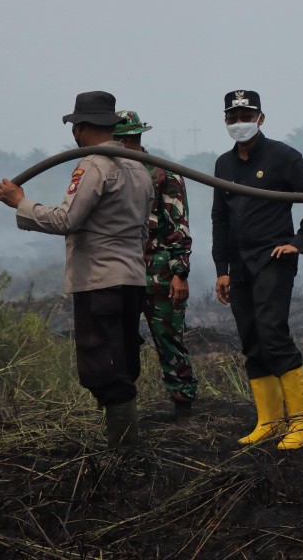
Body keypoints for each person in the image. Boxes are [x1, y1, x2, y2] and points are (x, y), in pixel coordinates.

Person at [0, 91, 154, 448]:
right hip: (130, 281)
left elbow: (68, 219)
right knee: (122, 360)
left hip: (99, 282)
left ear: (80, 127)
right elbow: (144, 230)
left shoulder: (94, 165)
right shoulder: (139, 167)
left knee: (104, 366)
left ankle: (123, 450)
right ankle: (123, 444)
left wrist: (21, 202)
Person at [211, 90, 303, 450]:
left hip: (274, 259)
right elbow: (220, 218)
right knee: (251, 338)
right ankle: (270, 421)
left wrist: (300, 240)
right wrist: (222, 268)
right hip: (240, 264)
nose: (239, 123)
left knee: (272, 331)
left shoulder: (282, 156)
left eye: (246, 116)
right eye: (233, 117)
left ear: (261, 118)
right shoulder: (223, 165)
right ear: (226, 121)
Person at [113, 110, 198, 422]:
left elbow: (178, 226)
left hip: (158, 269)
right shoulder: (110, 173)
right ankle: (124, 409)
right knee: (120, 340)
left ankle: (183, 406)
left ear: (128, 137)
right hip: (120, 268)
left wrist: (180, 273)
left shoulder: (163, 174)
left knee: (168, 337)